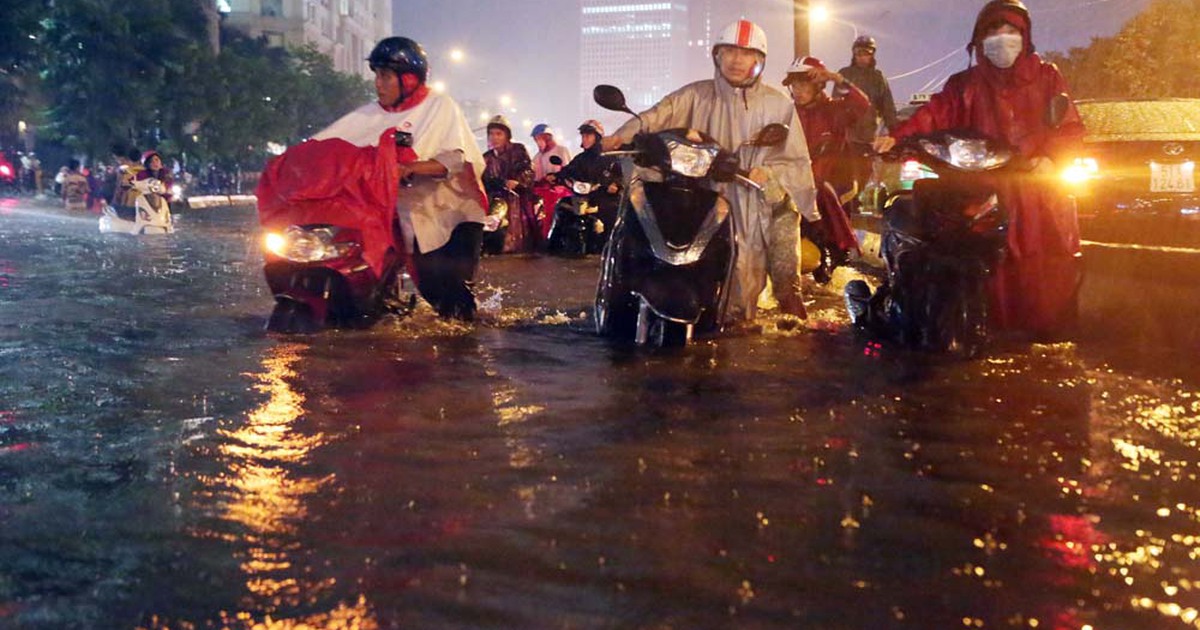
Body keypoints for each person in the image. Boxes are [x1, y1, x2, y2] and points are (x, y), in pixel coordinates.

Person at [873, 0, 1085, 338]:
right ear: (979, 39)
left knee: (1039, 262)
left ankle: (1043, 333)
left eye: (1011, 31)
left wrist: (1050, 158)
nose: (1003, 38)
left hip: (1035, 192)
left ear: (1025, 36)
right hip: (980, 188)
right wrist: (896, 137)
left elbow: (1070, 127)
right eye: (994, 31)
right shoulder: (964, 84)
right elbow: (933, 113)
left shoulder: (1046, 76)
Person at [601, 18, 817, 321]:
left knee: (742, 288)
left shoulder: (778, 104)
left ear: (759, 60)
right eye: (729, 52)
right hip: (699, 194)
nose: (736, 60)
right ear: (717, 56)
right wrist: (621, 136)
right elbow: (657, 115)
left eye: (745, 53)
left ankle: (763, 322)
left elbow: (795, 162)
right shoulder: (696, 94)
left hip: (748, 199)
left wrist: (766, 174)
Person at [288, 36, 488, 321]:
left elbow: (456, 158)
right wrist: (296, 167)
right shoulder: (370, 115)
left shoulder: (439, 106)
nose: (378, 83)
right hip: (404, 213)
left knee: (448, 295)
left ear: (408, 79)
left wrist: (410, 168)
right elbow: (327, 147)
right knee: (415, 279)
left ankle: (466, 344)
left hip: (451, 217)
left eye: (385, 75)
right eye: (376, 75)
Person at [783, 56, 869, 284]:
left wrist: (836, 78)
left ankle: (834, 264)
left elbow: (862, 105)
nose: (797, 91)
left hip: (831, 191)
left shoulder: (835, 112)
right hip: (796, 188)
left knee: (833, 259)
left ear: (819, 85)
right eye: (794, 85)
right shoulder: (787, 115)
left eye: (803, 84)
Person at [838, 35, 899, 212]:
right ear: (853, 54)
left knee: (864, 173)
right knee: (846, 173)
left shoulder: (878, 78)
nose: (862, 57)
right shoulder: (845, 74)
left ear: (872, 54)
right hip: (846, 136)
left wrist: (896, 132)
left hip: (867, 136)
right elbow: (836, 101)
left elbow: (888, 107)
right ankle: (843, 205)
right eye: (858, 53)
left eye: (866, 53)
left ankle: (854, 202)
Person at [553, 119, 622, 241]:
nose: (584, 139)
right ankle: (556, 242)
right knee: (562, 205)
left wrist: (615, 184)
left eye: (588, 136)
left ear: (597, 137)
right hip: (582, 197)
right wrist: (556, 176)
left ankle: (611, 242)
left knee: (612, 210)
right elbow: (568, 170)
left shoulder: (610, 157)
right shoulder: (580, 158)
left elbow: (620, 175)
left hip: (603, 196)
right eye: (583, 136)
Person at [482, 114, 538, 253]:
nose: (494, 137)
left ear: (507, 135)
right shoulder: (486, 157)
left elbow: (527, 170)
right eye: (491, 134)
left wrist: (518, 181)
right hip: (494, 201)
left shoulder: (518, 150)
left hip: (515, 199)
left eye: (498, 134)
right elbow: (482, 178)